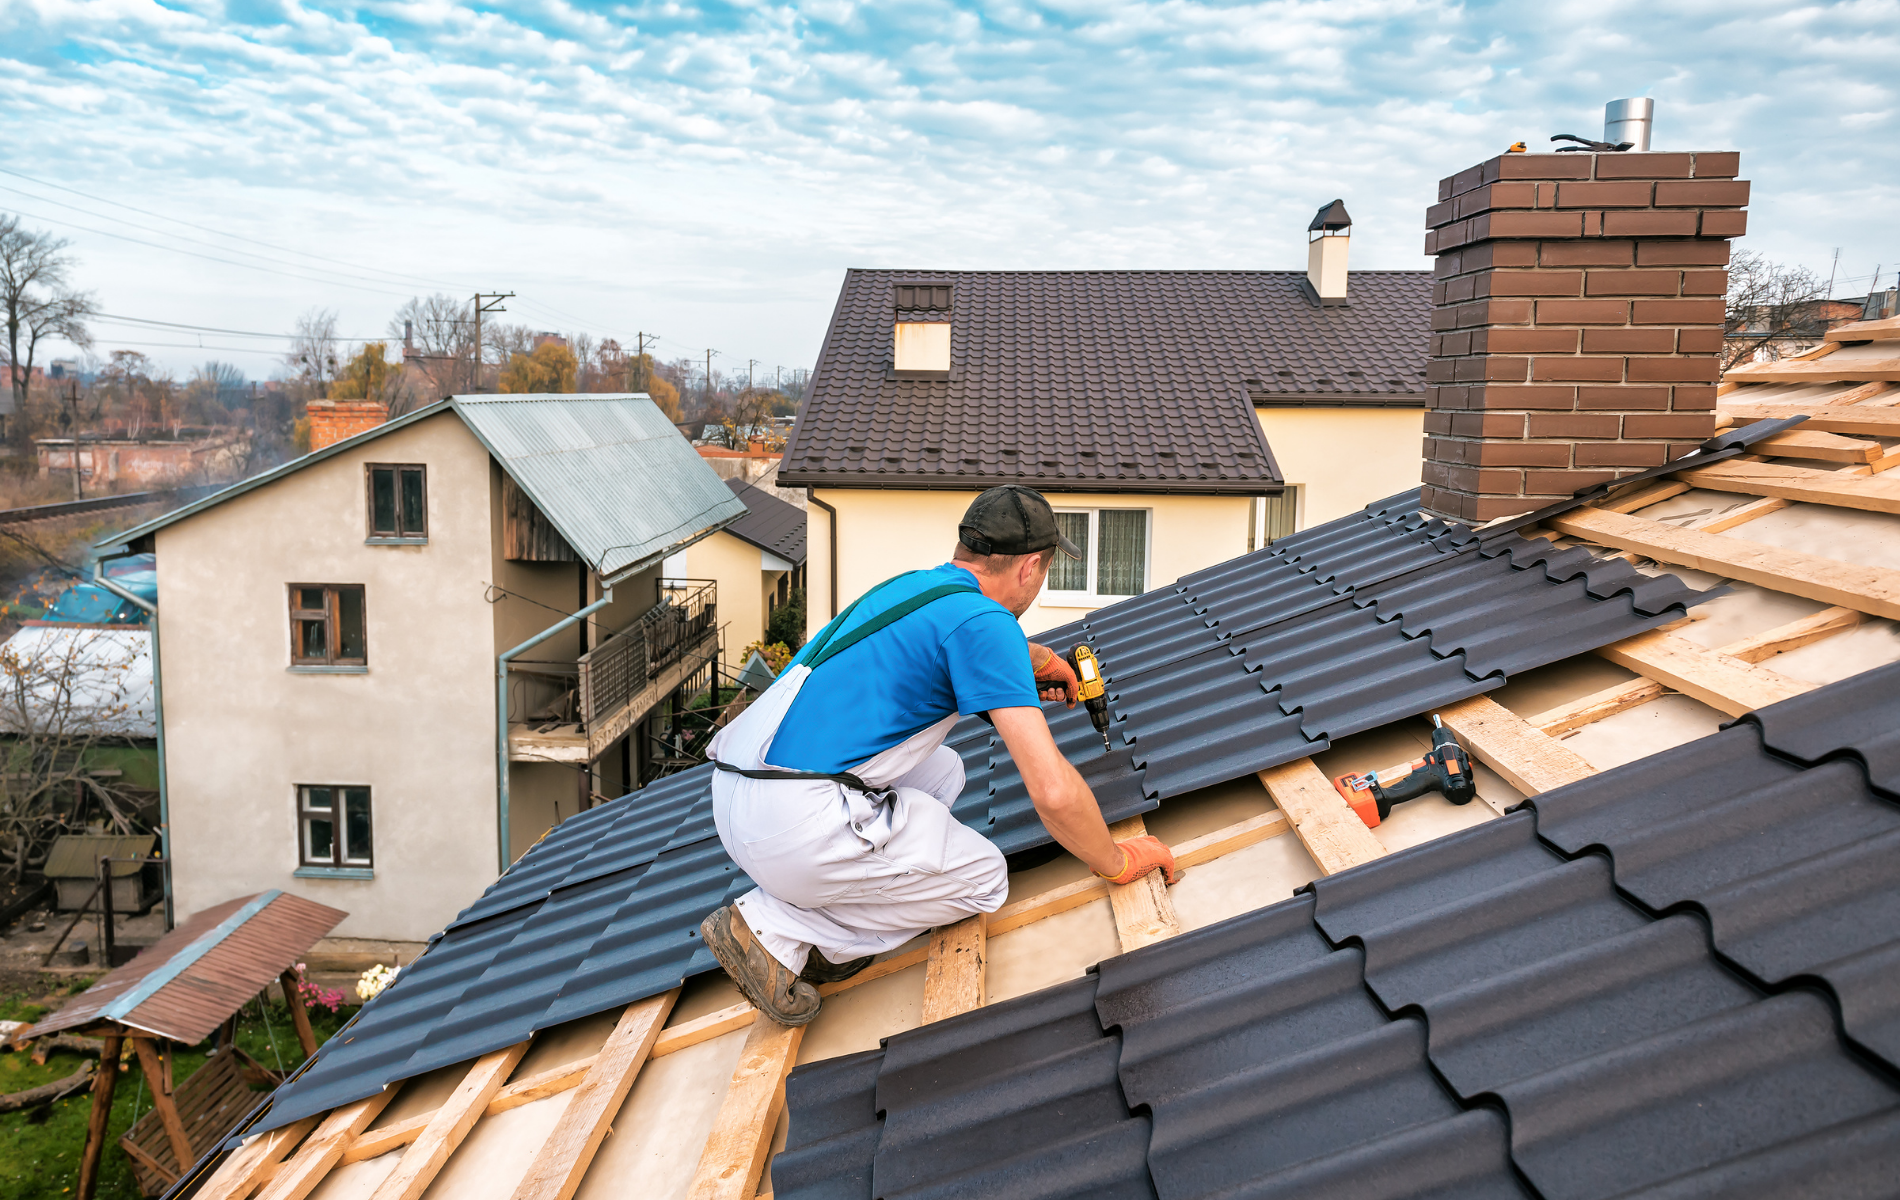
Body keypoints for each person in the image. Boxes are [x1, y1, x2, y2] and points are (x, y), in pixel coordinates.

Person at [699, 484, 1181, 1025]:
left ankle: (829, 908)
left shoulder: (914, 588)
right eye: (1045, 571)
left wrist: (1037, 658)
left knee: (945, 769)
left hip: (739, 793)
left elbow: (958, 643)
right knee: (984, 879)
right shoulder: (987, 624)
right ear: (1029, 568)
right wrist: (1117, 862)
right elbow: (1051, 791)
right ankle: (777, 929)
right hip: (792, 825)